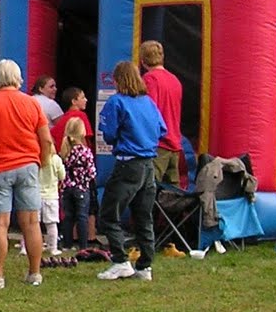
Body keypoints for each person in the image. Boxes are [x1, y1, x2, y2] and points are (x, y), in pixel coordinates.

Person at [0, 59, 53, 289]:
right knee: (32, 222)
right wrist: (41, 162)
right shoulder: (33, 104)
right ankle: (34, 273)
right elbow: (46, 138)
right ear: (18, 78)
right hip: (28, 166)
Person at [96, 59, 167, 282]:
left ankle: (120, 260)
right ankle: (145, 265)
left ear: (117, 80)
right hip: (149, 164)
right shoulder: (148, 102)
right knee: (143, 216)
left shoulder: (117, 102)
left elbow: (108, 133)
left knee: (109, 214)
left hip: (128, 163)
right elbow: (162, 130)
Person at [140, 40, 185, 187]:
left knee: (149, 188)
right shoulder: (175, 80)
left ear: (142, 60)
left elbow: (149, 111)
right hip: (175, 143)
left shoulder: (149, 79)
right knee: (173, 193)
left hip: (158, 144)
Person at [60, 115, 97, 252]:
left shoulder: (65, 151)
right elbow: (91, 171)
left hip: (67, 187)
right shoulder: (85, 151)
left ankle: (67, 244)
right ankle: (83, 245)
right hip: (81, 187)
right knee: (82, 216)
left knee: (68, 216)